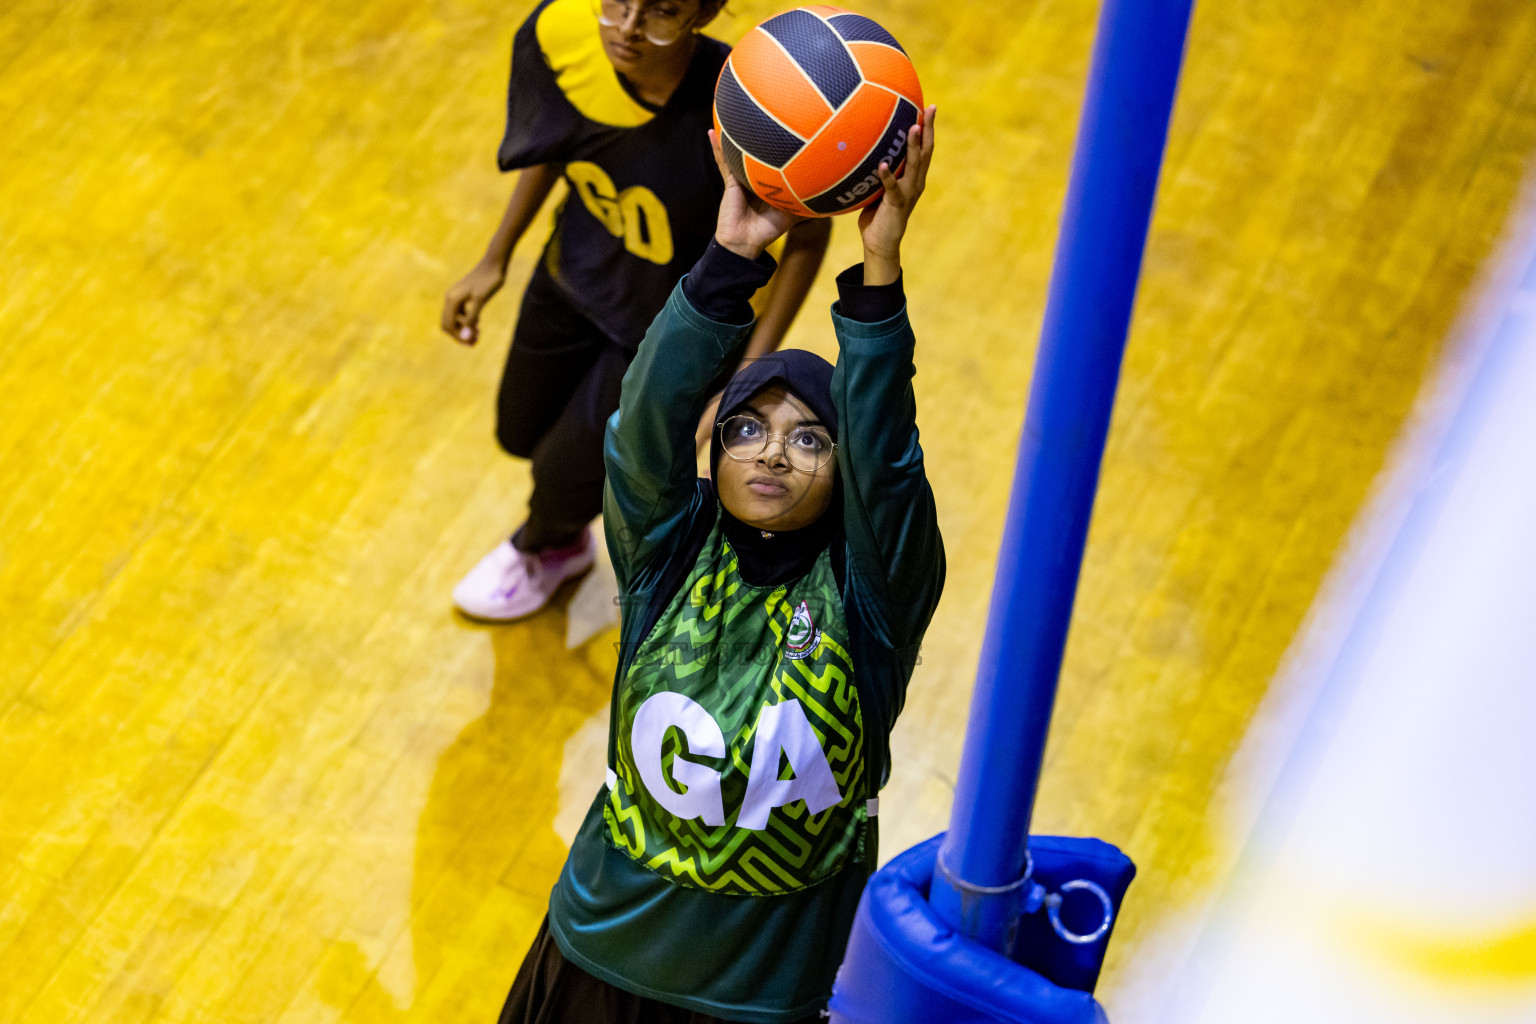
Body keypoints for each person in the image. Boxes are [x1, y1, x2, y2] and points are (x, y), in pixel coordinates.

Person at [496, 106, 942, 1023]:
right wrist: (729, 261)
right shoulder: (668, 553)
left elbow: (891, 468)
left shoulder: (872, 596)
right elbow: (641, 426)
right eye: (747, 428)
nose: (773, 452)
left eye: (810, 437)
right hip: (595, 956)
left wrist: (880, 273)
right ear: (715, 449)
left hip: (759, 998)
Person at [443, 0, 832, 622]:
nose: (625, 29)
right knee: (519, 431)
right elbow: (554, 140)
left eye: (660, 12)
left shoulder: (748, 100)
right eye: (616, 2)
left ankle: (542, 544)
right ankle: (561, 529)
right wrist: (495, 257)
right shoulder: (568, 44)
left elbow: (808, 236)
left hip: (667, 341)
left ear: (704, 13)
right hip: (571, 279)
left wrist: (747, 374)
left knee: (567, 469)